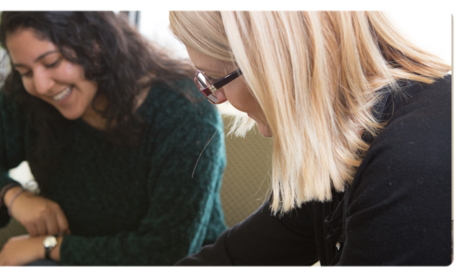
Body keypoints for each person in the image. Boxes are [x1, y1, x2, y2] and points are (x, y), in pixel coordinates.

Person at [0, 8, 228, 269]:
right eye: (24, 71)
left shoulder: (185, 108)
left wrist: (50, 245)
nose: (40, 85)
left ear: (96, 43)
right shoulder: (26, 96)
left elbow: (166, 253)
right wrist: (15, 197)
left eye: (52, 62)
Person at [169, 8, 452, 268]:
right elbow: (235, 259)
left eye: (214, 80)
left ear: (276, 61)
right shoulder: (343, 143)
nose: (216, 99)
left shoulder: (412, 157)